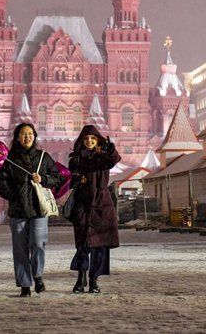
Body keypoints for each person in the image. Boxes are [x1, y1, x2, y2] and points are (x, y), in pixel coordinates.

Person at [0, 123, 62, 297]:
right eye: (24, 134)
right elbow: (1, 182)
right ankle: (25, 284)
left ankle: (38, 275)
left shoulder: (43, 157)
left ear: (35, 136)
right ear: (17, 137)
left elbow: (57, 177)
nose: (27, 137)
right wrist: (15, 196)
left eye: (30, 134)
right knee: (20, 248)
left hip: (39, 209)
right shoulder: (9, 160)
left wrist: (44, 178)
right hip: (18, 211)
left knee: (38, 244)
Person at [67, 125, 121, 294]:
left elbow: (113, 160)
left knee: (99, 244)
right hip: (83, 203)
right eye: (86, 139)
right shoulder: (76, 159)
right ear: (82, 141)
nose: (89, 141)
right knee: (82, 242)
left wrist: (111, 150)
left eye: (92, 138)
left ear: (97, 140)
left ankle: (94, 280)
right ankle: (81, 278)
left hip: (101, 203)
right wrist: (76, 179)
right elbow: (69, 178)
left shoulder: (103, 157)